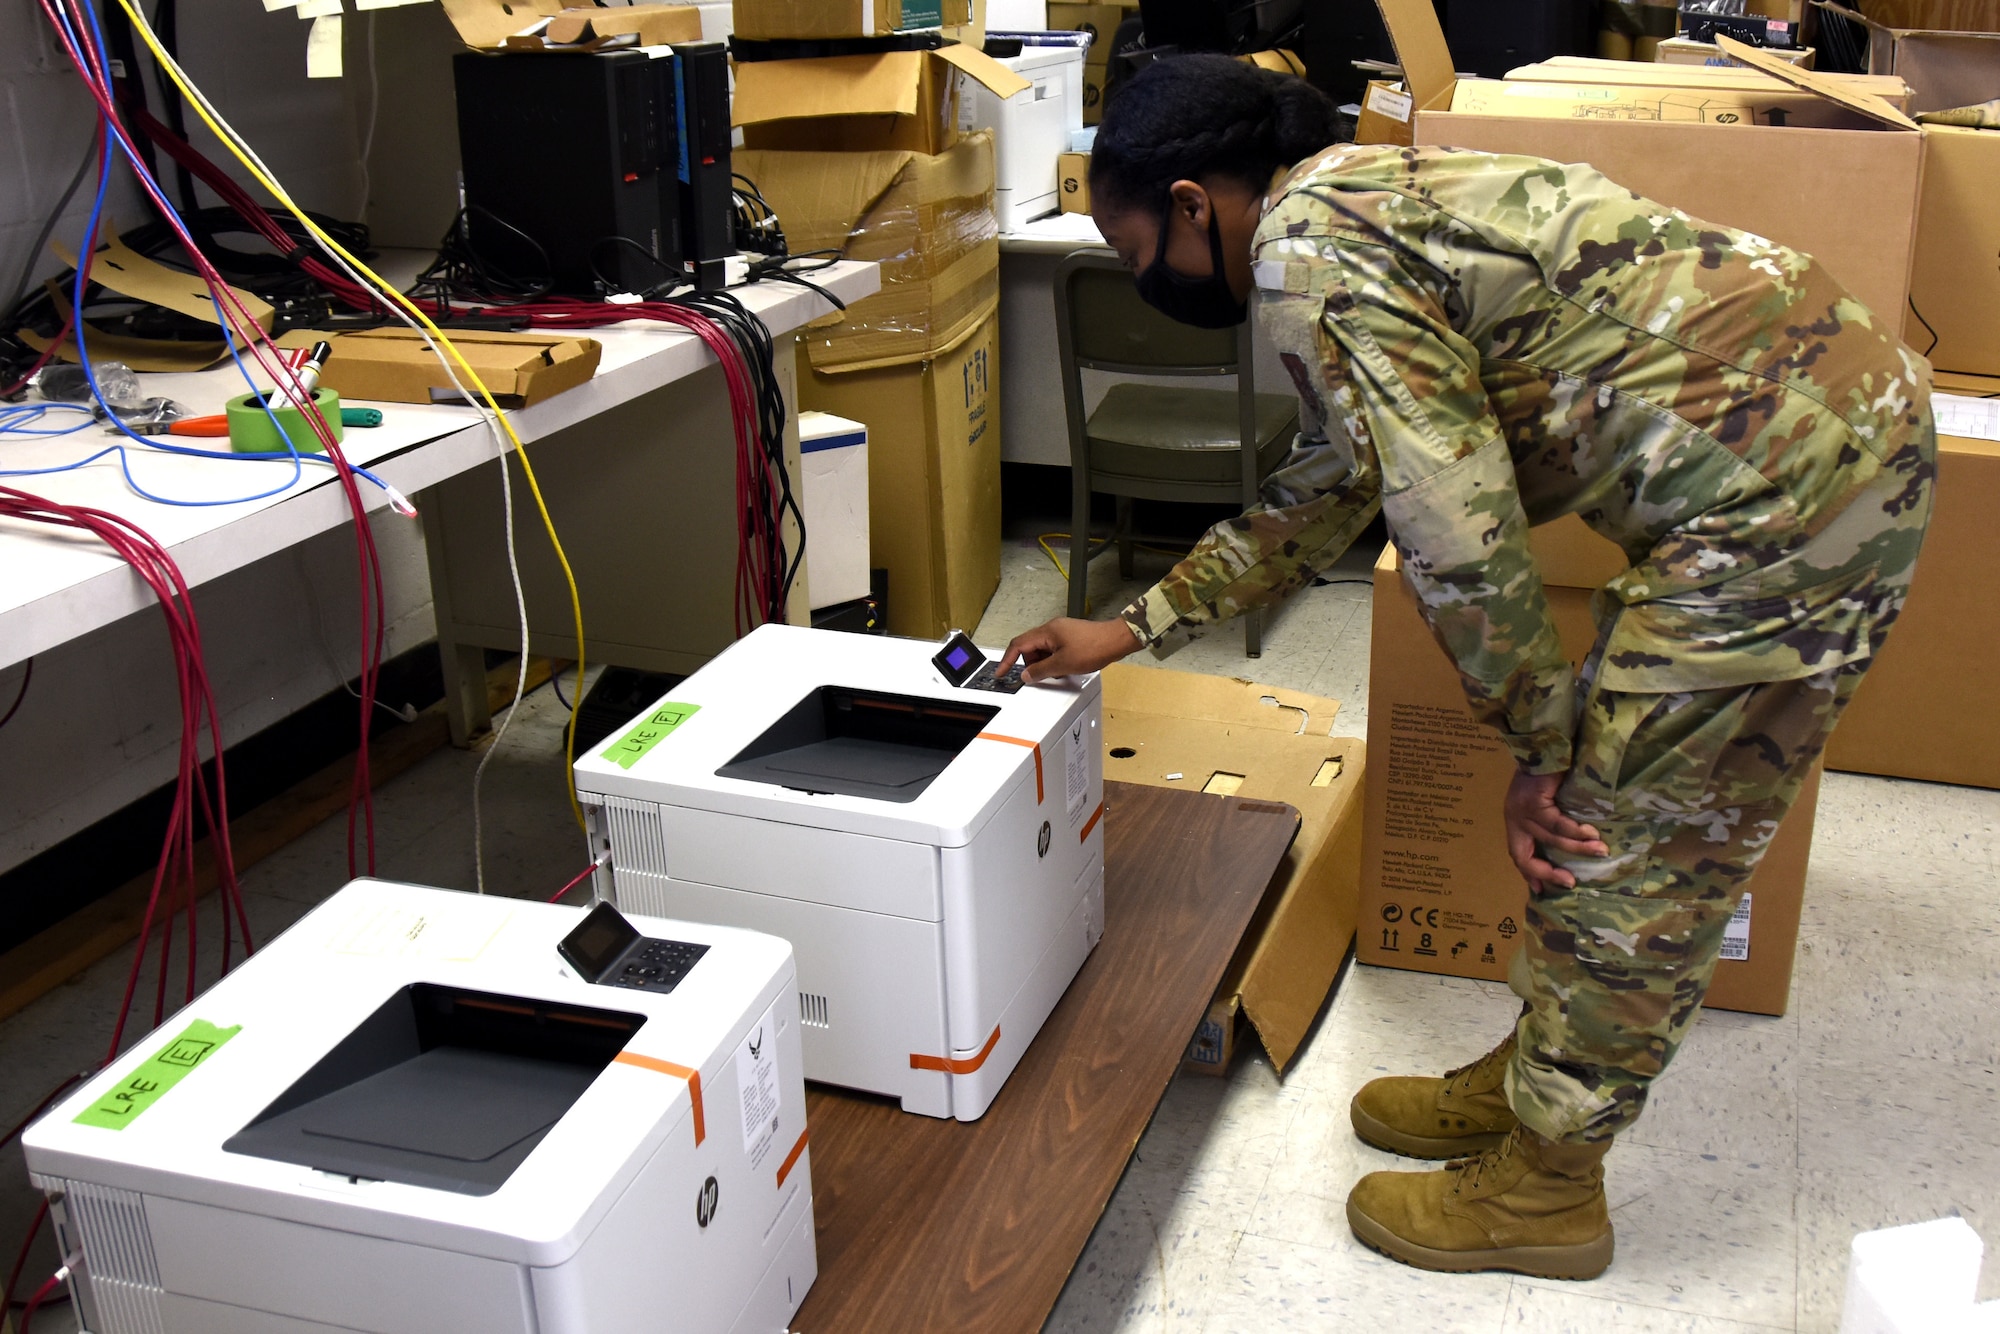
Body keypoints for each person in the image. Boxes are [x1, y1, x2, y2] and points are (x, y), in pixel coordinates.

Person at [998, 55, 1935, 1280]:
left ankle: (1549, 1191)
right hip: (1801, 443)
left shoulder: (1306, 265)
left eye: (1136, 256)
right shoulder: (1347, 193)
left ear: (1190, 202)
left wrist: (1538, 749)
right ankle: (1539, 1071)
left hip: (1793, 502)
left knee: (1620, 845)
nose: (1147, 283)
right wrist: (1134, 626)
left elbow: (1455, 532)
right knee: (1602, 797)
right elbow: (1338, 481)